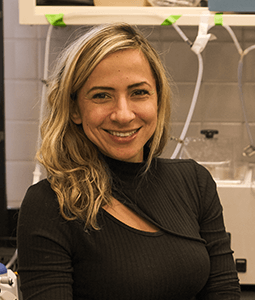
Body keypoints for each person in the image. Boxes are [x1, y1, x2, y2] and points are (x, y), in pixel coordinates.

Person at [17, 23, 241, 300]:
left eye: (139, 92)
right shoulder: (51, 203)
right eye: (101, 96)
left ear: (158, 99)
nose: (123, 114)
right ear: (74, 108)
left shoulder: (194, 182)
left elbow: (223, 291)